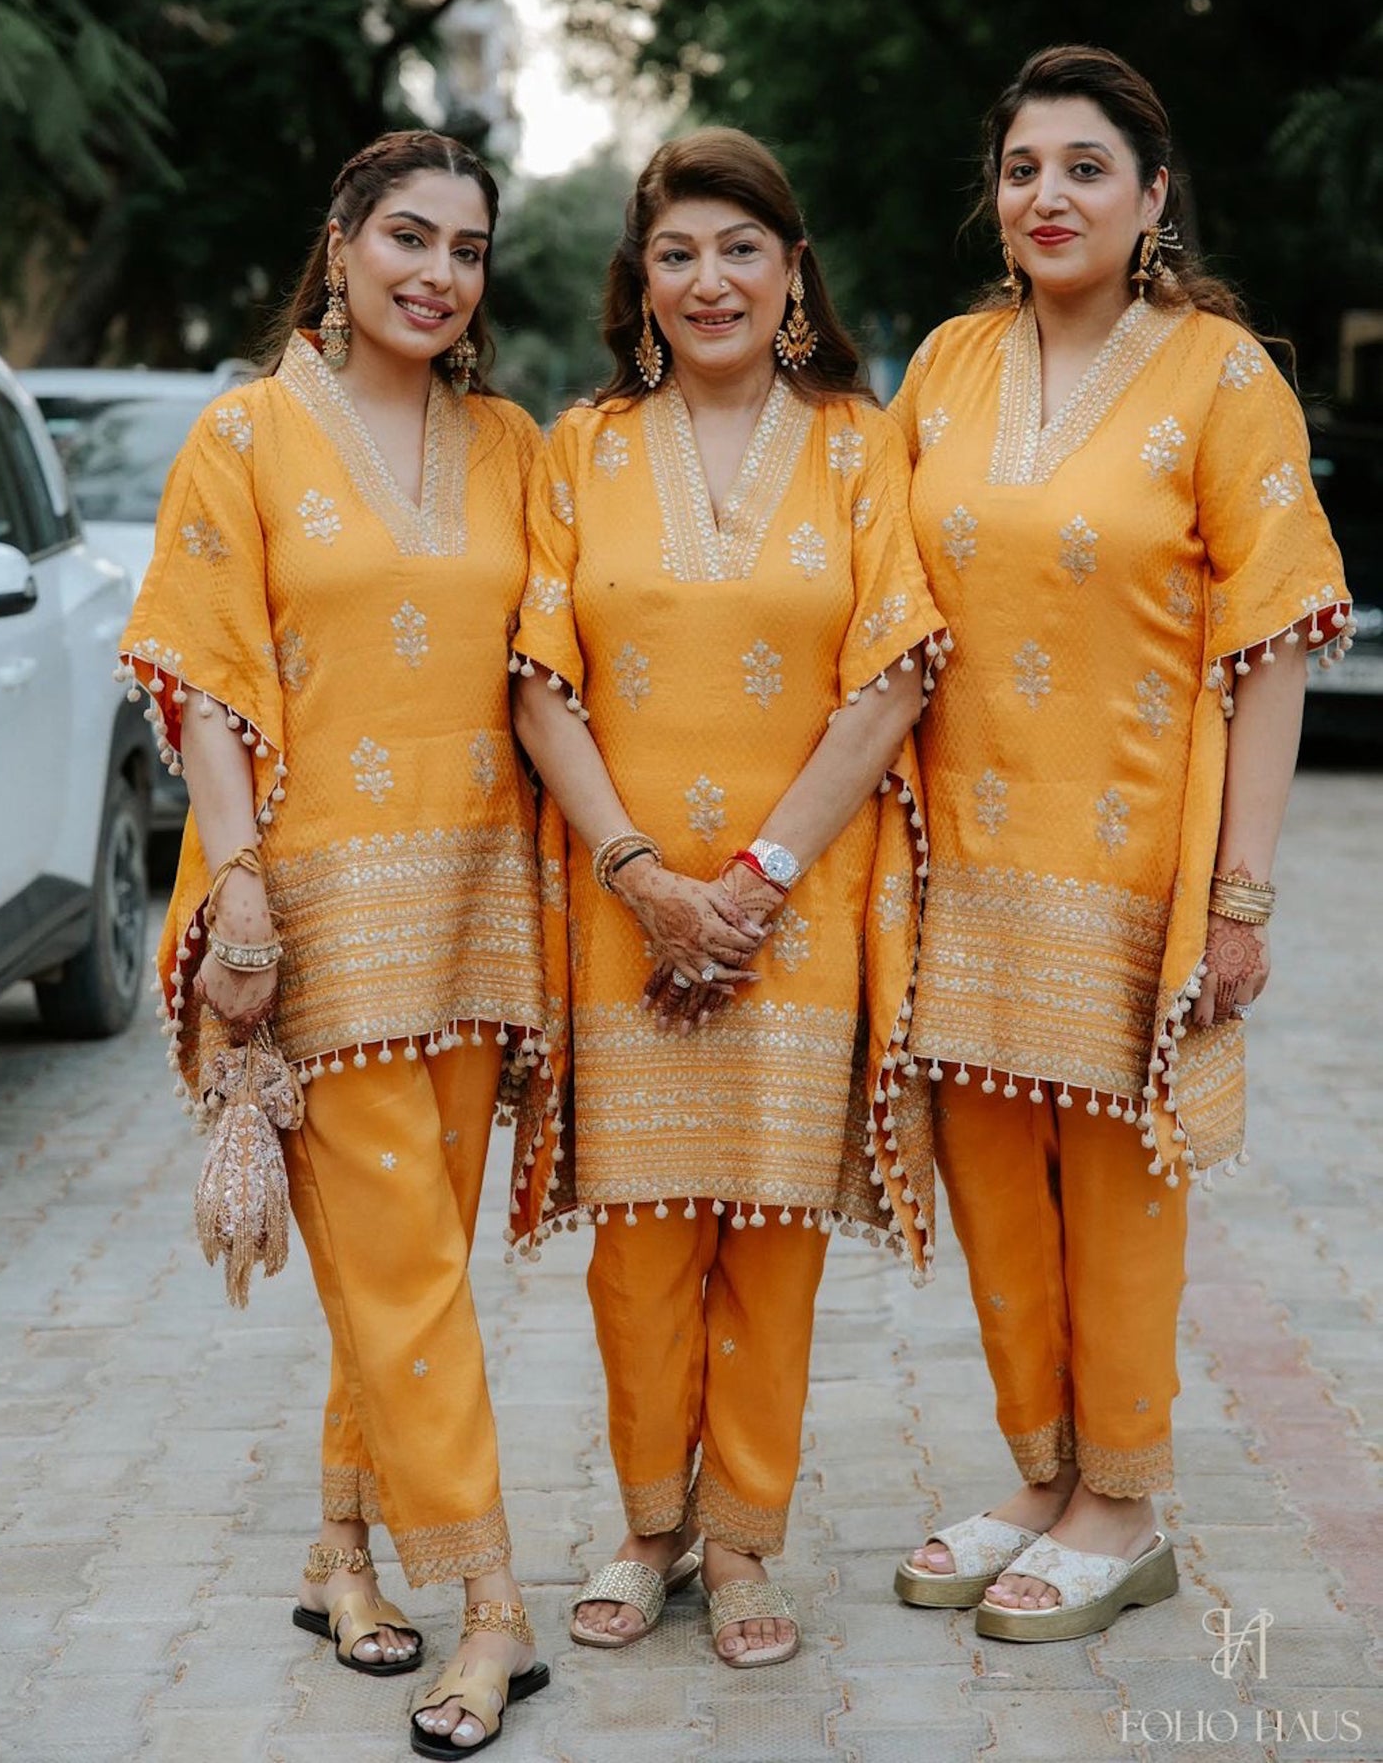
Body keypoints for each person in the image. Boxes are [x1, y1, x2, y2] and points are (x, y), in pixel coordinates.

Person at [889, 46, 1352, 1641]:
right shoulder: (945, 365)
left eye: (1084, 167)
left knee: (1113, 1185)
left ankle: (1124, 1504)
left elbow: (1275, 636)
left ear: (1151, 195)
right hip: (954, 855)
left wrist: (1240, 893)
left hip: (1131, 861)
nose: (1046, 197)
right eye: (1022, 168)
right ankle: (1038, 1472)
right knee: (991, 1178)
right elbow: (880, 605)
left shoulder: (1220, 374)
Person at [120, 130, 552, 1754]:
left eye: (468, 249)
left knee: (403, 1270)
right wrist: (237, 890)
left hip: (473, 909)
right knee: (412, 1273)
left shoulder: (508, 442)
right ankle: (492, 1606)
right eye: (409, 238)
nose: (438, 274)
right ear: (341, 244)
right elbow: (212, 674)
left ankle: (344, 1552)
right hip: (308, 918)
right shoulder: (244, 436)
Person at [506, 128, 945, 1670]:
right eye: (679, 253)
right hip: (621, 903)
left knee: (769, 1237)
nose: (711, 281)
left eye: (741, 250)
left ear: (790, 272)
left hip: (798, 910)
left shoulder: (857, 444)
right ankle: (647, 1525)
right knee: (638, 1243)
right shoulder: (578, 449)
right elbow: (539, 680)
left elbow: (892, 672)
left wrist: (750, 882)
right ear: (643, 281)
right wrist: (641, 874)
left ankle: (745, 1539)